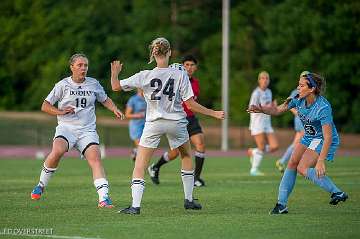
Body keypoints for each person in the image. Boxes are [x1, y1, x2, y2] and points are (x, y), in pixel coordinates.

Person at [110, 37, 225, 214]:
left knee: (140, 165)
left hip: (153, 123)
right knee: (186, 156)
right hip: (176, 122)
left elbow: (116, 87)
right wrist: (214, 113)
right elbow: (191, 105)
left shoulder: (145, 75)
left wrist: (115, 72)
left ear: (153, 54)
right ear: (170, 52)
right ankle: (188, 200)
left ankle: (135, 206)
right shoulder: (181, 74)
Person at [30, 53, 124, 208]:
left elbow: (105, 99)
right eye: (79, 65)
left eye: (85, 65)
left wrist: (114, 109)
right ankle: (40, 185)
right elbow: (45, 105)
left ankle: (104, 198)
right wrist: (60, 112)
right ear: (71, 67)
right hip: (67, 128)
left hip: (87, 131)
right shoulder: (62, 85)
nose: (83, 68)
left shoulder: (93, 84)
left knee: (95, 158)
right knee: (58, 150)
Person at [247, 71, 348, 214]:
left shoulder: (323, 107)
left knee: (302, 167)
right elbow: (278, 110)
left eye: (301, 85)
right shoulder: (298, 99)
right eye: (298, 85)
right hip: (309, 137)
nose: (298, 88)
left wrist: (320, 161)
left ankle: (336, 192)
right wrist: (262, 109)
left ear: (312, 89)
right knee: (292, 162)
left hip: (323, 139)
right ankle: (281, 205)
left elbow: (328, 136)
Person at [148, 56, 207, 187]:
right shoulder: (174, 79)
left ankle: (195, 178)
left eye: (192, 65)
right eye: (187, 64)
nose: (189, 67)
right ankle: (155, 167)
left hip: (191, 118)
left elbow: (192, 103)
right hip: (177, 119)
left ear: (196, 67)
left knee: (200, 145)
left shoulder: (195, 83)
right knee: (176, 153)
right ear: (182, 66)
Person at [247, 71, 279, 176]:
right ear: (259, 80)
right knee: (261, 146)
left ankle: (253, 152)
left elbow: (269, 108)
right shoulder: (256, 93)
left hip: (267, 123)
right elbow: (251, 108)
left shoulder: (269, 92)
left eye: (267, 78)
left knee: (275, 146)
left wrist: (273, 107)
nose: (265, 80)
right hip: (257, 123)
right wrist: (268, 106)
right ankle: (254, 170)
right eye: (262, 78)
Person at [276, 89, 305, 172]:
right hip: (300, 121)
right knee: (305, 142)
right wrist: (296, 112)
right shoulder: (296, 91)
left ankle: (282, 161)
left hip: (304, 120)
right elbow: (288, 103)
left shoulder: (308, 91)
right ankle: (299, 164)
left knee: (296, 143)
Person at [125, 88, 146, 161]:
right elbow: (127, 115)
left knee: (145, 146)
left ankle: (135, 152)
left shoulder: (148, 98)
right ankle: (141, 166)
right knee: (141, 146)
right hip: (136, 125)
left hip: (147, 125)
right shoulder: (133, 99)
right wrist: (138, 115)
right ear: (138, 88)